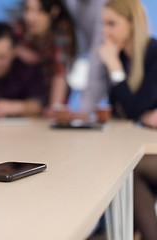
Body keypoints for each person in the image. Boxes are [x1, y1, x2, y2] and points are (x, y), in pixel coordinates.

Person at [98, 0, 157, 239]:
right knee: (131, 175)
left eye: (112, 24)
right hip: (146, 146)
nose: (105, 31)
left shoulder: (154, 53)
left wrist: (113, 67)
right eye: (103, 24)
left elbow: (134, 109)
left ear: (133, 24)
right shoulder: (122, 56)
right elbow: (122, 109)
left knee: (128, 168)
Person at [11, 0, 76, 116]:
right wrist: (17, 50)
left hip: (52, 96)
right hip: (26, 101)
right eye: (28, 9)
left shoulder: (61, 31)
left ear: (53, 11)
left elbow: (60, 73)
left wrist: (55, 107)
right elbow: (3, 47)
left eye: (39, 11)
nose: (30, 17)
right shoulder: (18, 27)